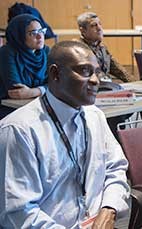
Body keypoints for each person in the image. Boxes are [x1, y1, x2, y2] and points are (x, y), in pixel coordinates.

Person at [0, 41, 130, 228]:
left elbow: (115, 168)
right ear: (55, 74)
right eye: (85, 71)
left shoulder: (95, 116)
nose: (95, 80)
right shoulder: (19, 130)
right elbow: (18, 213)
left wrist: (109, 210)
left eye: (97, 72)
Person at [0, 14, 49, 119]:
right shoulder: (6, 52)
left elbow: (59, 84)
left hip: (39, 105)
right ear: (19, 36)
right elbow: (15, 90)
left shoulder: (46, 51)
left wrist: (34, 91)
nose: (40, 36)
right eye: (33, 33)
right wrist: (44, 89)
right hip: (10, 109)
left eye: (41, 31)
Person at [77, 12, 132, 83]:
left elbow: (118, 70)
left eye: (100, 24)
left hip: (104, 87)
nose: (99, 28)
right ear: (83, 30)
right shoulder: (78, 49)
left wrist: (136, 83)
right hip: (89, 90)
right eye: (94, 25)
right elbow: (96, 74)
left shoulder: (101, 47)